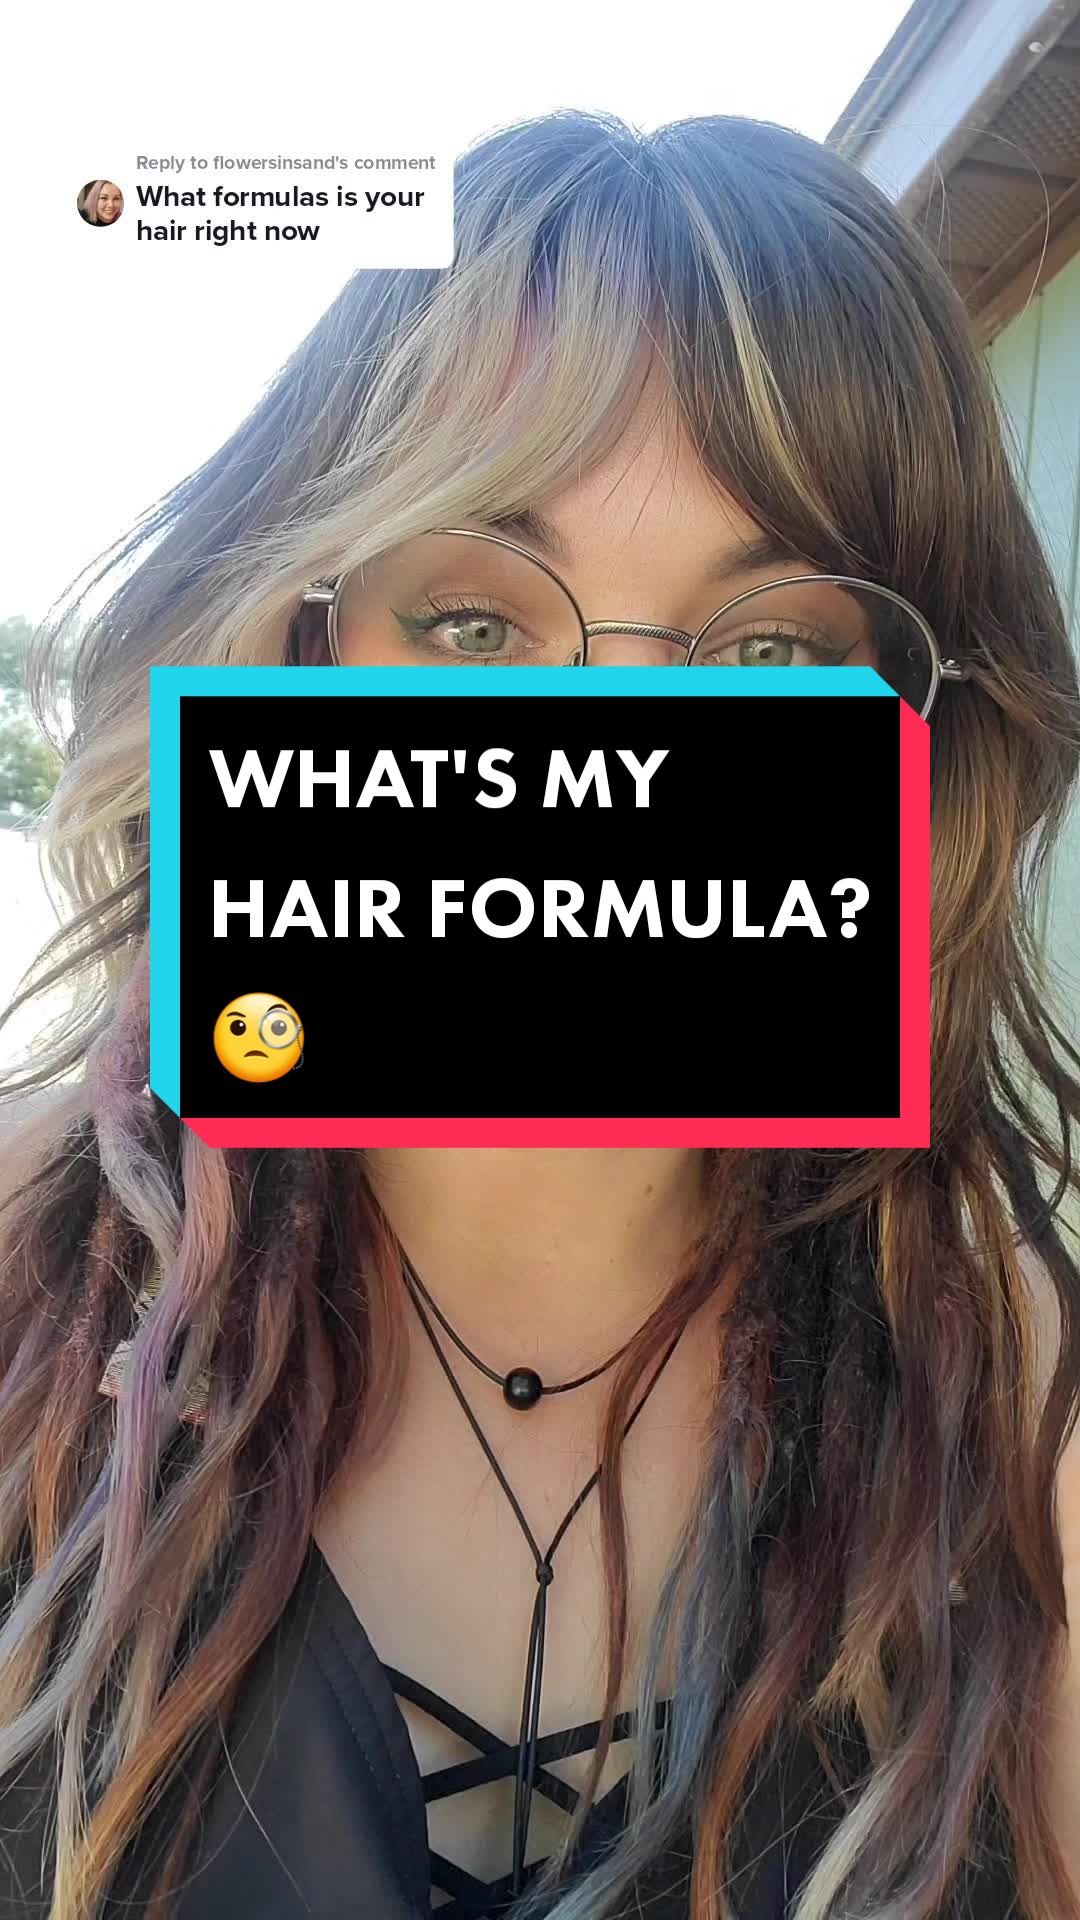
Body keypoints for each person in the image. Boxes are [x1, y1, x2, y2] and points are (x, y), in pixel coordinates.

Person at [2, 109, 1080, 1920]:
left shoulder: (1023, 1411)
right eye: (475, 628)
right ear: (299, 642)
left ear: (926, 738)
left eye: (769, 650)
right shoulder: (19, 1272)